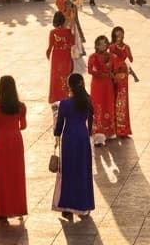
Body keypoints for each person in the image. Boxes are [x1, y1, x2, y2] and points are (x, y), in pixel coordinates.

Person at [52, 72, 95, 220]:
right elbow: (90, 121)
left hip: (69, 138)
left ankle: (67, 207)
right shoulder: (87, 101)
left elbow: (58, 126)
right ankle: (83, 205)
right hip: (82, 137)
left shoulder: (64, 104)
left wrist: (56, 136)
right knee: (82, 171)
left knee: (68, 171)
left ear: (69, 86)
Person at [0, 75, 28, 222]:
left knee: (1, 175)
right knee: (16, 175)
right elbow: (23, 126)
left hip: (1, 141)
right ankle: (18, 208)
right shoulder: (21, 106)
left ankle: (1, 210)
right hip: (16, 140)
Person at [87, 35, 115, 146]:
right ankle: (98, 132)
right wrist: (105, 73)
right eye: (100, 43)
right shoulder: (92, 57)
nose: (103, 45)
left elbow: (115, 69)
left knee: (108, 105)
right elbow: (91, 70)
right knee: (98, 107)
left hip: (108, 85)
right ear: (96, 45)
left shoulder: (111, 56)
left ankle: (109, 131)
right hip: (97, 86)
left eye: (105, 43)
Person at [109, 27, 133, 139]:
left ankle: (123, 129)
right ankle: (113, 128)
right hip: (114, 78)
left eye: (121, 35)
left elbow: (130, 59)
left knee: (123, 103)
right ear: (114, 36)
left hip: (124, 79)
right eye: (117, 35)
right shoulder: (110, 47)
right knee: (113, 101)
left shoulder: (126, 47)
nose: (120, 37)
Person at [46, 11, 75, 103]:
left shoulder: (52, 32)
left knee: (55, 77)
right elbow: (72, 44)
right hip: (66, 56)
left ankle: (55, 96)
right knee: (66, 75)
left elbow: (50, 47)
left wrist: (48, 55)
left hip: (56, 57)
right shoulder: (68, 32)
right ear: (63, 21)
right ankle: (65, 95)